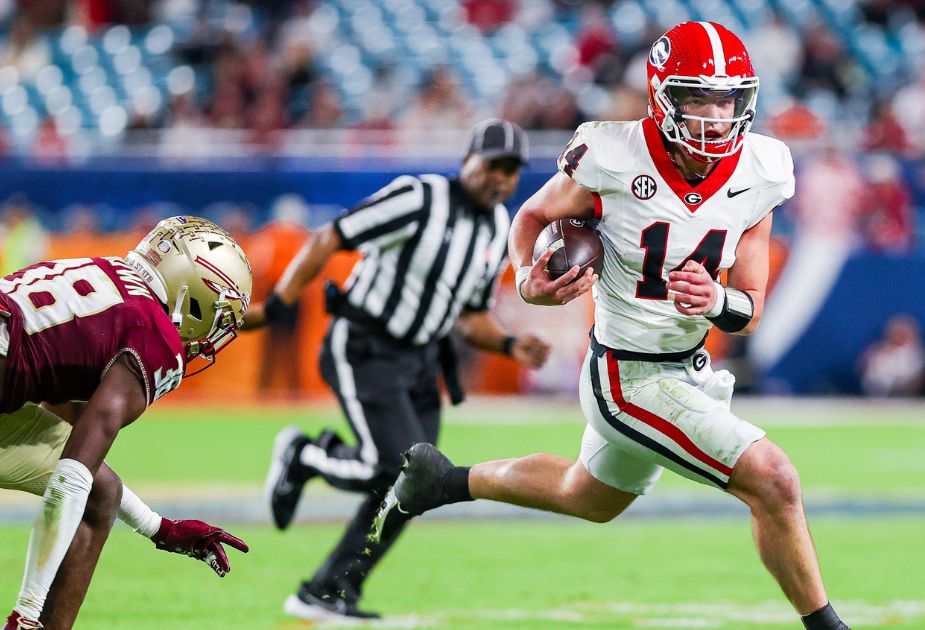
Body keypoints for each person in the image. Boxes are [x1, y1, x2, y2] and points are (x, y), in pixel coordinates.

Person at [379, 22, 851, 630]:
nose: (714, 115)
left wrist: (714, 301)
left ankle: (445, 482)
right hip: (625, 375)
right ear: (662, 97)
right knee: (773, 480)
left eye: (726, 98)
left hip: (690, 368)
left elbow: (750, 307)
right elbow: (531, 217)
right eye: (697, 98)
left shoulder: (761, 167)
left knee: (589, 496)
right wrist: (528, 279)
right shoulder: (610, 154)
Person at [245, 119, 551, 623]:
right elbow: (330, 237)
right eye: (492, 165)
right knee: (392, 469)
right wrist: (280, 304)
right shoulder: (419, 197)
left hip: (420, 361)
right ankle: (305, 456)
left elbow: (470, 316)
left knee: (417, 485)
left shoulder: (498, 227)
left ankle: (329, 591)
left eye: (511, 171)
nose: (500, 179)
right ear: (467, 159)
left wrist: (510, 343)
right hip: (366, 343)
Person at [2, 216, 253, 630]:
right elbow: (71, 475)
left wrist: (160, 528)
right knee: (88, 485)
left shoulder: (107, 274)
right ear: (191, 292)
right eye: (217, 313)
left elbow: (84, 469)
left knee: (103, 494)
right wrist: (26, 611)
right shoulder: (153, 333)